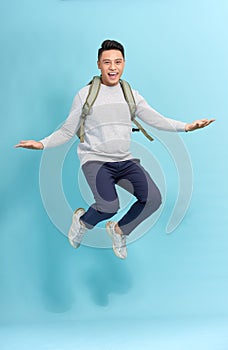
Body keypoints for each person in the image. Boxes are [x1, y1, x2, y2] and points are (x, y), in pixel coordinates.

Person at [15, 39, 215, 259]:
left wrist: (187, 127)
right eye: (107, 62)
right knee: (109, 206)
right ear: (99, 64)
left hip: (124, 161)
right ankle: (82, 221)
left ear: (124, 64)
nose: (113, 67)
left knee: (153, 199)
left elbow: (156, 119)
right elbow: (67, 130)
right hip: (96, 161)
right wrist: (42, 143)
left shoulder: (130, 95)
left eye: (118, 62)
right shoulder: (85, 95)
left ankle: (119, 230)